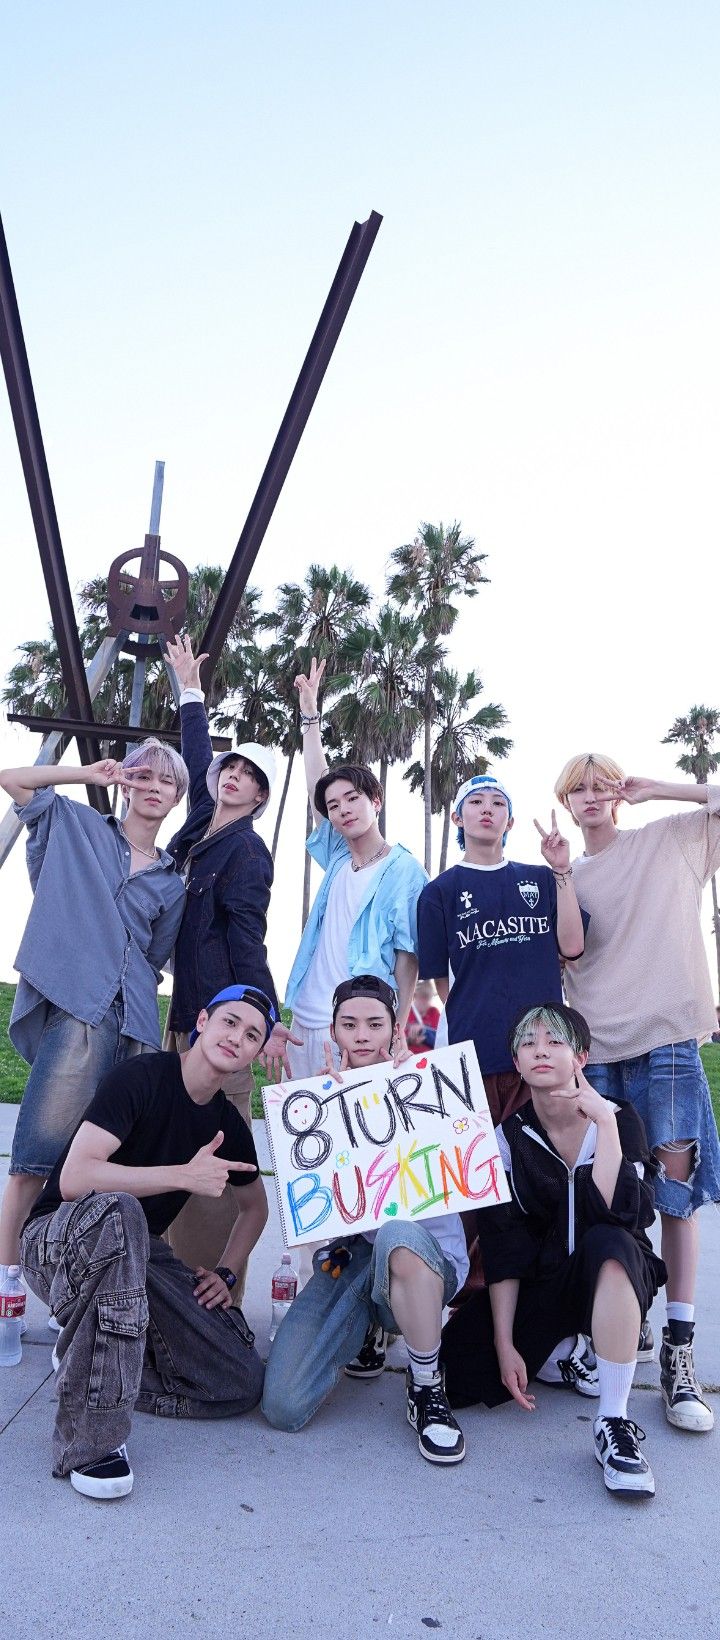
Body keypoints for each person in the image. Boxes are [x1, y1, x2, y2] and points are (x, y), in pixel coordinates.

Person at [20, 984, 272, 1500]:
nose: (236, 1038)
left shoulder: (226, 1122)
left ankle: (85, 1356)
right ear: (201, 1021)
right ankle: (92, 1443)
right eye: (229, 1022)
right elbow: (76, 1179)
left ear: (255, 1053)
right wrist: (183, 1175)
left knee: (240, 1379)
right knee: (122, 1210)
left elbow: (255, 1207)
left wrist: (226, 1272)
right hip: (56, 1241)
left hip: (133, 1257)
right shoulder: (141, 1077)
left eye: (252, 1035)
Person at [554, 753, 720, 1433]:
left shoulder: (666, 839)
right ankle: (627, 1327)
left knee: (676, 1197)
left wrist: (660, 789)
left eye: (601, 786)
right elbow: (566, 951)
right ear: (565, 802)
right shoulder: (565, 873)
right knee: (611, 1198)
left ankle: (681, 1351)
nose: (590, 797)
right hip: (597, 1052)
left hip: (668, 1039)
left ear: (617, 794)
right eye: (577, 789)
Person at [440, 1004, 666, 1500]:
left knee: (608, 1244)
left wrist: (604, 1125)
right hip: (548, 1282)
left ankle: (613, 1421)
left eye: (555, 1040)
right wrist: (505, 1343)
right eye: (528, 1042)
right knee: (457, 1369)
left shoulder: (621, 1120)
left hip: (611, 1272)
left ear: (581, 1056)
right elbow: (503, 1246)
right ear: (516, 1062)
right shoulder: (509, 1138)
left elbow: (619, 1215)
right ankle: (567, 1351)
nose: (540, 1049)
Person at [262, 975, 471, 1464]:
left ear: (393, 1028)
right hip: (354, 1258)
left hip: (425, 1259)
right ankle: (368, 1329)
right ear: (333, 1031)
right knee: (283, 1403)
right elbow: (318, 1220)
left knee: (397, 1233)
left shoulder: (426, 1085)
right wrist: (310, 1124)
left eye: (374, 1024)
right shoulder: (317, 1103)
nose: (361, 1035)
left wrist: (401, 1090)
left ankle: (425, 1385)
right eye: (349, 1024)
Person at [0, 744, 187, 1268]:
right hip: (80, 1011)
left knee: (107, 1172)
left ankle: (81, 1295)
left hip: (138, 1028)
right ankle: (7, 1290)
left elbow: (154, 958)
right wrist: (87, 772)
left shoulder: (172, 885)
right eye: (143, 775)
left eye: (166, 782)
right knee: (35, 1161)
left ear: (176, 797)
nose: (153, 787)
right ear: (125, 783)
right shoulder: (75, 825)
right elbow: (12, 777)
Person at [162, 634, 297, 1293]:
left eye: (250, 775)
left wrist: (263, 1017)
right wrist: (190, 688)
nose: (234, 775)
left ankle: (213, 1305)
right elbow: (194, 758)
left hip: (220, 1024)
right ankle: (171, 1298)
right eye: (231, 767)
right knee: (175, 1156)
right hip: (184, 1016)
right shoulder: (201, 827)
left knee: (215, 1167)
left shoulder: (247, 854)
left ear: (262, 797)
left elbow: (249, 937)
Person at [283, 657, 427, 1078]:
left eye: (352, 799)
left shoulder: (404, 870)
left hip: (358, 1025)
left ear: (375, 801)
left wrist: (398, 1026)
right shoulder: (339, 857)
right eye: (334, 805)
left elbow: (407, 957)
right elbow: (316, 786)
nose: (343, 809)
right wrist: (310, 717)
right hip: (308, 1015)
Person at [417, 773, 587, 1126]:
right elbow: (441, 981)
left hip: (544, 1053)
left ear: (509, 822)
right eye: (476, 802)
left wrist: (561, 870)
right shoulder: (439, 892)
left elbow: (572, 948)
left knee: (545, 1162)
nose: (487, 810)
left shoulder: (541, 878)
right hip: (477, 1051)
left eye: (498, 804)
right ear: (457, 818)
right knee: (488, 1165)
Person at [406, 978, 441, 1049]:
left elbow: (440, 1038)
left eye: (429, 997)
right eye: (423, 996)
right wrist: (410, 1041)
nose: (426, 1001)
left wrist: (424, 1031)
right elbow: (397, 1042)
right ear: (414, 996)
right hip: (411, 1056)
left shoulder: (434, 1012)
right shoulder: (406, 1013)